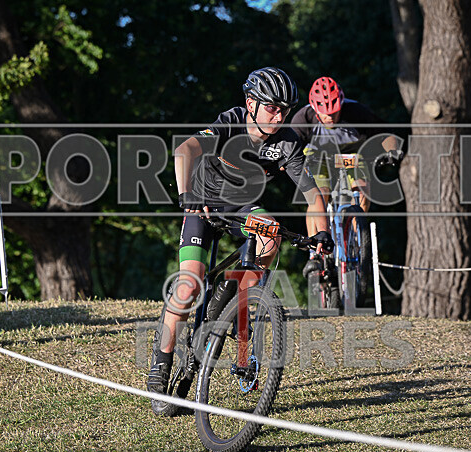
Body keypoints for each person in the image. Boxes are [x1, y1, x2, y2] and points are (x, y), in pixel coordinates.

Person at [147, 67, 333, 405]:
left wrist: (321, 233)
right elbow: (185, 150)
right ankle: (161, 361)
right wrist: (187, 194)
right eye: (272, 108)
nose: (279, 116)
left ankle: (233, 293)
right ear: (251, 104)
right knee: (188, 286)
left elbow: (313, 197)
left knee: (271, 232)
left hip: (242, 208)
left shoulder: (288, 142)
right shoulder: (229, 123)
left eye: (285, 110)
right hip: (203, 206)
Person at [290, 77, 401, 276]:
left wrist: (392, 151)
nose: (330, 117)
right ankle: (315, 254)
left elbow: (386, 134)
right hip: (318, 156)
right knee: (319, 195)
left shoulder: (357, 112)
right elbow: (289, 145)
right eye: (325, 114)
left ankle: (355, 239)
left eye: (334, 112)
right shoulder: (303, 118)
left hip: (351, 155)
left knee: (362, 189)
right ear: (315, 109)